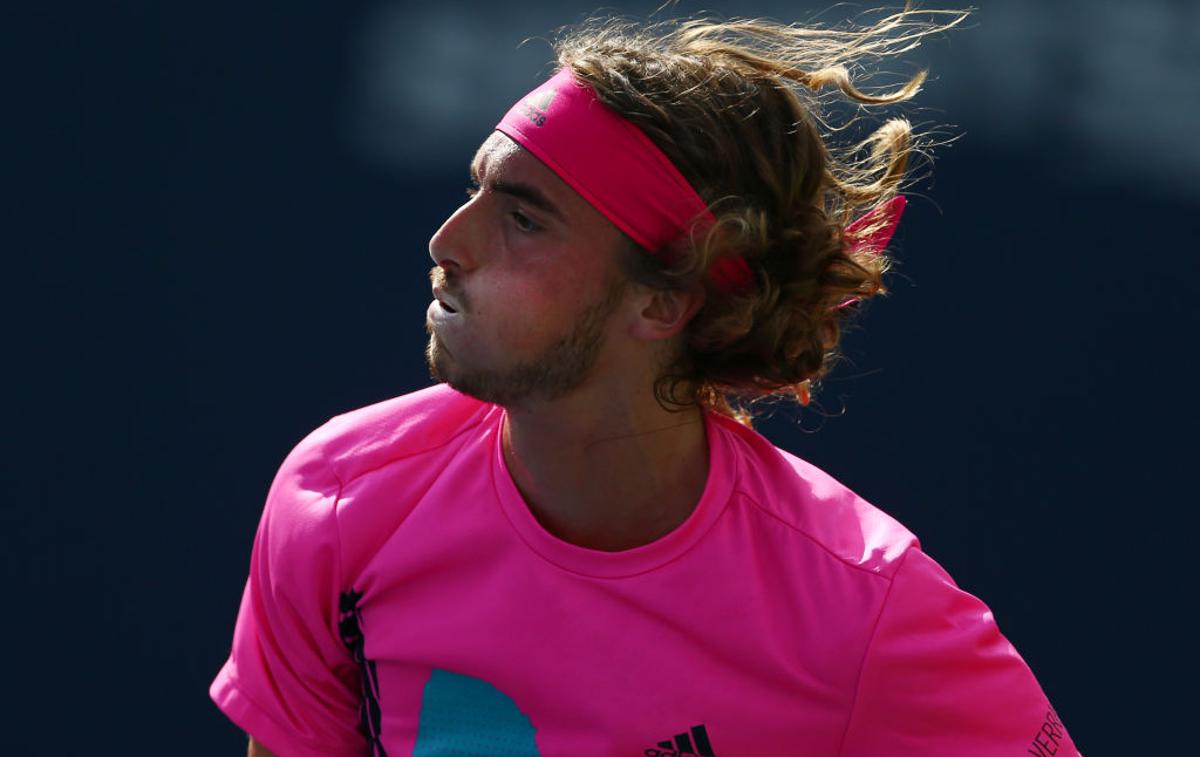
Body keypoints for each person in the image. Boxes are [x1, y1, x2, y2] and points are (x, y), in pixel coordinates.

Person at [211, 5, 1081, 756]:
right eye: (474, 190)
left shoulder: (867, 606)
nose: (448, 242)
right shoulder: (335, 498)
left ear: (663, 303)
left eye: (522, 219)